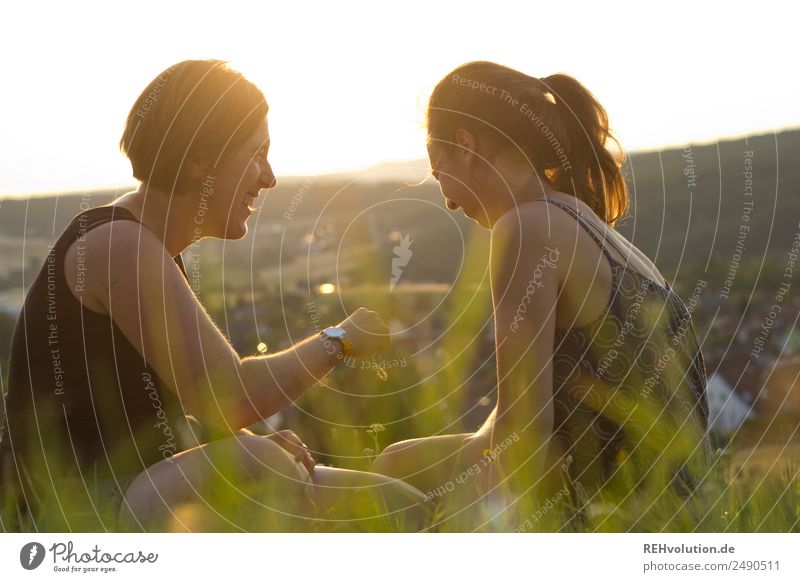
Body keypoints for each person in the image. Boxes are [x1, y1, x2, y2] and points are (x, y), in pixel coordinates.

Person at [0, 60, 427, 532]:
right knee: (262, 463)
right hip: (68, 515)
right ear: (201, 157)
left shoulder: (145, 246)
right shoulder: (117, 246)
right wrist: (340, 338)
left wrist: (241, 439)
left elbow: (193, 408)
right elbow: (229, 395)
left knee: (403, 504)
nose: (269, 177)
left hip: (130, 488)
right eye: (256, 153)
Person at [373, 62, 712, 528]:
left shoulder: (526, 227)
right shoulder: (585, 221)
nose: (448, 200)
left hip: (615, 517)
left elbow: (526, 433)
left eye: (438, 173)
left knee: (385, 484)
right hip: (677, 512)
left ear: (466, 144)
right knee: (399, 463)